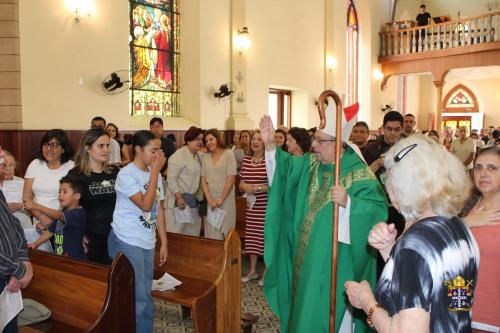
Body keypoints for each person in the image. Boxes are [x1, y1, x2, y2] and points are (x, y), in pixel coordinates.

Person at [260, 111, 388, 332]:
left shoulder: (359, 175)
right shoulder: (311, 165)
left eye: (319, 140)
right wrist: (271, 146)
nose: (314, 145)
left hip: (336, 270)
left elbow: (378, 212)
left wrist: (350, 203)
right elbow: (285, 172)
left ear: (339, 143)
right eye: (314, 139)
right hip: (305, 264)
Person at [345, 134, 479, 333]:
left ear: (403, 183)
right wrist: (389, 249)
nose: (385, 184)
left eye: (386, 176)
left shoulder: (414, 245)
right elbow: (436, 290)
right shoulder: (459, 228)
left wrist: (366, 302)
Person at [108, 130, 168, 333]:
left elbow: (158, 208)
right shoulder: (126, 174)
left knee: (145, 293)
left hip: (147, 240)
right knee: (138, 295)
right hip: (127, 239)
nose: (158, 154)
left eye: (160, 150)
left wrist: (164, 242)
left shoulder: (155, 172)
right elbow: (145, 204)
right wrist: (154, 173)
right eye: (153, 150)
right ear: (138, 150)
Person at [461, 145, 500, 332]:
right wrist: (466, 222)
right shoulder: (468, 207)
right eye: (478, 167)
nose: (483, 173)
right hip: (460, 308)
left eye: (492, 168)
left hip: (491, 317)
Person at [68, 128, 119, 264]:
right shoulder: (76, 175)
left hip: (115, 235)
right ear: (87, 148)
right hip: (89, 237)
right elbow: (68, 208)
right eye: (100, 146)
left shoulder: (115, 172)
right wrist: (77, 233)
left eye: (107, 145)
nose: (106, 150)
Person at [0, 147, 33, 333]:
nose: (4, 162)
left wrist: (23, 258)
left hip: (7, 272)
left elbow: (13, 225)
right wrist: (19, 269)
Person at [23, 129, 75, 231]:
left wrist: (51, 222)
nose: (48, 149)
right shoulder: (35, 164)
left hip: (61, 223)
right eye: (45, 144)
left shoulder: (71, 167)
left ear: (63, 149)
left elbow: (70, 203)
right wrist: (42, 218)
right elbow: (26, 198)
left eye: (54, 145)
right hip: (38, 223)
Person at [26, 175, 86, 259]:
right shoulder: (64, 212)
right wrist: (35, 243)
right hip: (60, 257)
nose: (60, 195)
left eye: (65, 192)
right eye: (59, 191)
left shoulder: (78, 214)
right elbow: (51, 230)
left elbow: (58, 215)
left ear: (77, 196)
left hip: (74, 259)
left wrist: (37, 206)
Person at [240, 130, 268, 286]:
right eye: (253, 139)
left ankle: (265, 272)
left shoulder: (268, 161)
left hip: (265, 206)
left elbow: (273, 186)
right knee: (252, 239)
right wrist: (245, 186)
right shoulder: (246, 160)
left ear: (264, 143)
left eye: (259, 139)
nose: (255, 142)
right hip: (251, 207)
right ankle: (252, 270)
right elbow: (241, 183)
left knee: (263, 239)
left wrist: (256, 188)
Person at [165, 126, 204, 236]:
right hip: (178, 202)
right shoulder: (178, 155)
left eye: (201, 139)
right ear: (188, 140)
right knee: (176, 235)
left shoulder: (199, 156)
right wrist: (179, 197)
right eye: (197, 139)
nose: (200, 142)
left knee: (192, 234)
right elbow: (171, 179)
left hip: (192, 201)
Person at [200, 128, 237, 240]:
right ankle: (213, 257)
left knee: (227, 231)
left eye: (211, 139)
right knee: (212, 232)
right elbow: (203, 179)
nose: (208, 143)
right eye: (206, 141)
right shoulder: (205, 157)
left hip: (226, 199)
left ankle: (228, 258)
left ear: (218, 139)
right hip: (211, 200)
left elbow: (231, 179)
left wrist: (221, 199)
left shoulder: (229, 154)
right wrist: (209, 198)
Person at [0, 150, 32, 228]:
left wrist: (20, 206)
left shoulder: (23, 183)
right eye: (4, 165)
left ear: (15, 166)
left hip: (23, 226)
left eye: (11, 165)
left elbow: (33, 210)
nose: (8, 169)